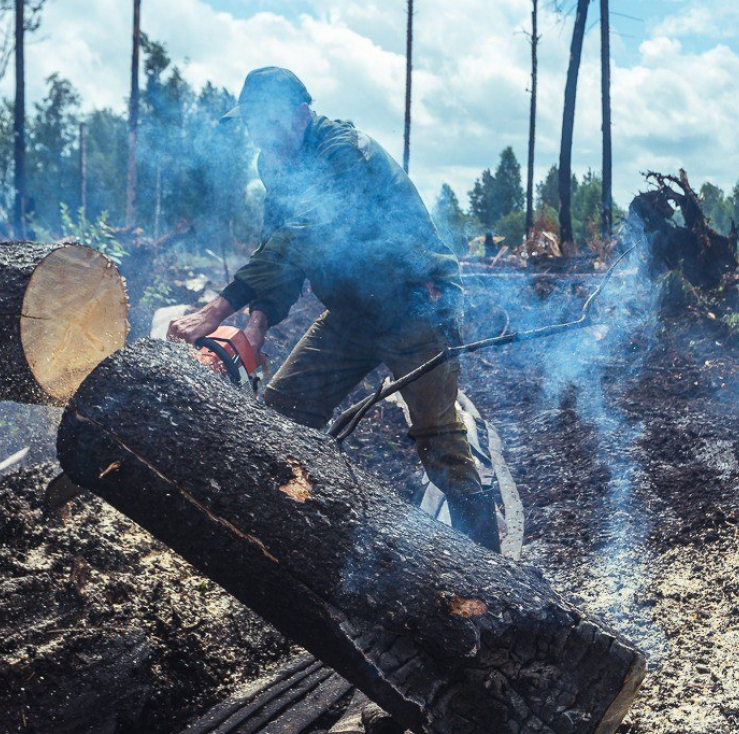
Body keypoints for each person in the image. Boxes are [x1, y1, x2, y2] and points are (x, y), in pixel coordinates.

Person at [167, 66, 499, 552]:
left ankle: (492, 571)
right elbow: (277, 247)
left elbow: (306, 234)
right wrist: (255, 326)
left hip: (414, 304)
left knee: (441, 443)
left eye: (264, 121)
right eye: (251, 124)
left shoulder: (344, 153)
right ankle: (298, 542)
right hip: (351, 312)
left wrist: (217, 309)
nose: (257, 134)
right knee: (282, 412)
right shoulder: (273, 165)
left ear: (300, 114)